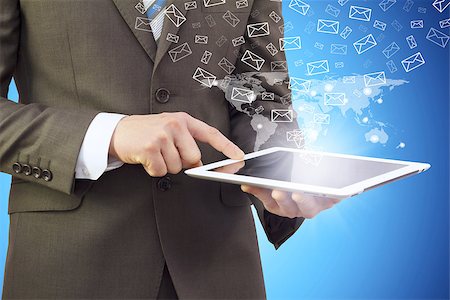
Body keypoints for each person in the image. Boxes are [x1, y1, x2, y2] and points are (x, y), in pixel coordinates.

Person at [0, 0, 339, 298]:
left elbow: (260, 101)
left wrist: (281, 173)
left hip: (219, 264)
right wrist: (108, 134)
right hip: (69, 265)